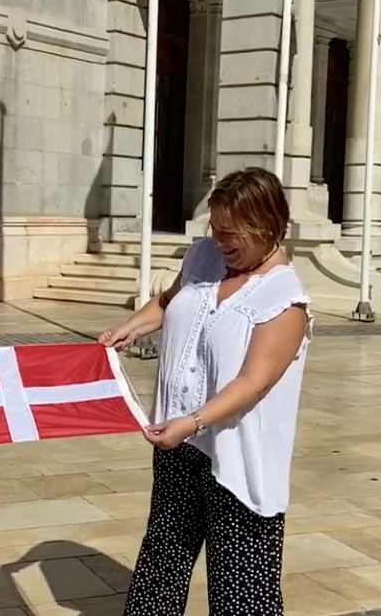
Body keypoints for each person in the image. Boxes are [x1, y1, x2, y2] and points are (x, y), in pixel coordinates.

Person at [100, 167, 313, 615]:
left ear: (268, 226)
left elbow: (253, 383)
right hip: (179, 445)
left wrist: (193, 422)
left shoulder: (282, 299)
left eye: (231, 233)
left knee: (241, 589)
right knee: (161, 563)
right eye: (215, 230)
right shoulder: (202, 259)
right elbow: (168, 301)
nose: (220, 242)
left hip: (235, 459)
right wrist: (129, 328)